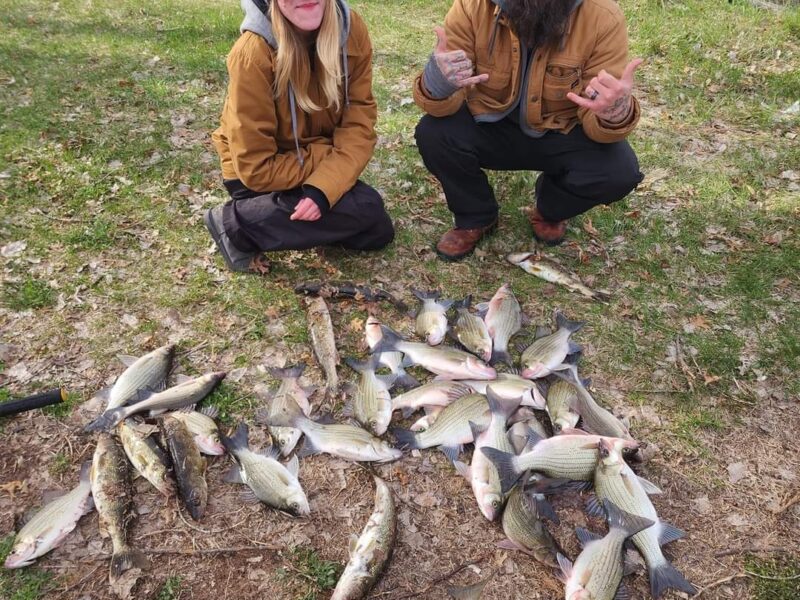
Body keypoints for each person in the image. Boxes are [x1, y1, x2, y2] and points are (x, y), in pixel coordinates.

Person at [413, 0, 645, 261]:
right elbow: (444, 102)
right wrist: (439, 81)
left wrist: (613, 112)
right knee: (433, 134)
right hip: (489, 124)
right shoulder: (471, 6)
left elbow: (597, 120)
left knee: (619, 172)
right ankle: (475, 215)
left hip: (560, 130)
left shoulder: (603, 15)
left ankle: (550, 208)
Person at [205, 0, 394, 272]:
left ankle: (265, 221)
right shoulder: (252, 53)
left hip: (313, 160)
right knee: (365, 208)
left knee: (376, 228)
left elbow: (359, 121)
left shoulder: (352, 31)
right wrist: (330, 160)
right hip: (262, 175)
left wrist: (321, 189)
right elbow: (255, 169)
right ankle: (232, 223)